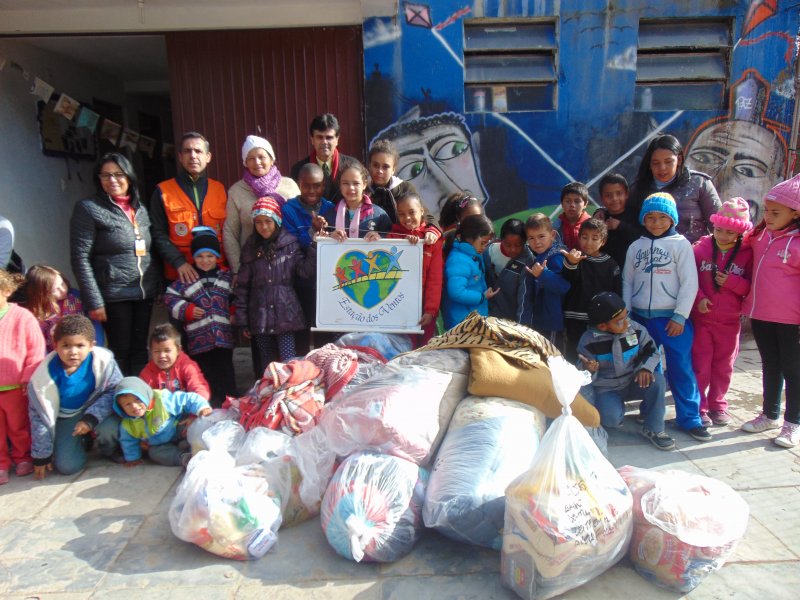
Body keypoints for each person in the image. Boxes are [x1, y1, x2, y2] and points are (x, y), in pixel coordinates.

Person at [623, 192, 710, 443]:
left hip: (672, 320)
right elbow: (627, 281)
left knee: (681, 368)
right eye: (650, 217)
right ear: (643, 219)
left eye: (662, 217)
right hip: (641, 320)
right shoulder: (635, 246)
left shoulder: (681, 245)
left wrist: (680, 316)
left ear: (672, 218)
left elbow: (689, 283)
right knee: (650, 369)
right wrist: (628, 315)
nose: (656, 222)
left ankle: (690, 418)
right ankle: (650, 412)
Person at [71, 153, 160, 375]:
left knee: (140, 349)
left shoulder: (140, 208)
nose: (113, 180)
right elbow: (80, 257)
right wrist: (94, 300)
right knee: (120, 351)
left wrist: (155, 284)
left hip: (142, 292)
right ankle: (121, 399)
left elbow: (150, 249)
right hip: (113, 293)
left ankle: (138, 398)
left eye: (118, 174)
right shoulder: (89, 208)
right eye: (106, 175)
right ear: (98, 179)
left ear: (129, 177)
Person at [740, 175, 800, 447]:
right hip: (761, 315)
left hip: (792, 321)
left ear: (795, 213)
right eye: (767, 210)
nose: (769, 216)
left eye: (776, 212)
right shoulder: (760, 237)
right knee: (770, 366)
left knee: (794, 369)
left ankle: (793, 422)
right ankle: (770, 414)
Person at [29, 315, 123, 478]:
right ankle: (83, 442)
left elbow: (114, 391)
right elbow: (39, 416)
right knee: (68, 467)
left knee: (110, 429)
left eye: (80, 345)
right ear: (55, 345)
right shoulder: (42, 377)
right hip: (67, 417)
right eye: (66, 346)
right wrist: (41, 455)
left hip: (97, 410)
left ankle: (109, 449)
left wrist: (90, 419)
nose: (73, 352)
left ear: (91, 345)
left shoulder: (104, 362)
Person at [577, 292, 674, 450]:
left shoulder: (636, 330)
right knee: (612, 420)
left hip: (633, 381)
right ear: (603, 326)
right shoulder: (588, 341)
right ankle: (614, 411)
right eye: (620, 321)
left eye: (626, 316)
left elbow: (651, 351)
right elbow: (582, 371)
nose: (627, 323)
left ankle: (654, 428)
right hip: (607, 389)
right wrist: (590, 368)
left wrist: (645, 369)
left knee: (658, 382)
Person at [235, 197, 316, 378]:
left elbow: (304, 271)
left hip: (286, 313)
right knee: (268, 364)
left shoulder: (290, 244)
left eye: (268, 221)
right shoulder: (250, 248)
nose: (264, 227)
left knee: (289, 361)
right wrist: (242, 319)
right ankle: (270, 397)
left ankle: (289, 395)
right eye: (259, 222)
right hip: (260, 315)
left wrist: (314, 247)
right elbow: (243, 286)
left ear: (277, 221)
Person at [691, 198, 753, 427]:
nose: (723, 236)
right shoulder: (701, 248)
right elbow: (689, 280)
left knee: (724, 366)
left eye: (729, 232)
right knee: (701, 364)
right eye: (719, 230)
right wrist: (699, 300)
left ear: (740, 233)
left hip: (730, 321)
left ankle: (718, 404)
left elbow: (750, 287)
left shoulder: (748, 253)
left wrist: (732, 282)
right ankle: (699, 406)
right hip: (702, 320)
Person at [164, 227, 235, 407]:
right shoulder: (187, 278)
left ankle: (230, 402)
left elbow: (237, 297)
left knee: (225, 369)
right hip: (198, 340)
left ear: (217, 256)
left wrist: (234, 312)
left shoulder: (226, 276)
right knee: (204, 372)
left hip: (223, 337)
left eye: (210, 256)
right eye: (200, 256)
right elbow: (170, 297)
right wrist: (186, 309)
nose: (205, 261)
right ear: (193, 258)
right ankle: (207, 403)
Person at [150, 132, 227, 284]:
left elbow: (229, 231)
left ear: (208, 157)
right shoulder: (163, 191)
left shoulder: (219, 189)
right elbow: (157, 233)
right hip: (180, 275)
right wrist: (179, 262)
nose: (193, 156)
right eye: (187, 151)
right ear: (180, 156)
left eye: (198, 151)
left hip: (217, 272)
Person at [223, 135, 301, 276]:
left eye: (261, 157)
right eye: (251, 158)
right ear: (245, 162)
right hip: (252, 267)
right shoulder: (236, 191)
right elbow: (230, 233)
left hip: (288, 265)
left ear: (272, 159)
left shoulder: (289, 185)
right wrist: (238, 270)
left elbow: (301, 222)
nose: (257, 162)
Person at [629, 134, 721, 244]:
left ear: (679, 159)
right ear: (649, 164)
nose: (662, 168)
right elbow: (624, 218)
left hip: (695, 254)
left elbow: (719, 224)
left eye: (668, 162)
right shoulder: (639, 188)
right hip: (652, 255)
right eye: (656, 163)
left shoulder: (699, 183)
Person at [282, 163, 335, 354]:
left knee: (324, 328)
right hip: (300, 279)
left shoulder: (331, 208)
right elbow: (291, 243)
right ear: (299, 184)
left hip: (327, 281)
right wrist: (314, 231)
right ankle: (303, 371)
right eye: (306, 185)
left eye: (317, 185)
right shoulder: (289, 209)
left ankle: (325, 365)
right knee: (302, 328)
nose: (312, 190)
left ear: (324, 186)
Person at [0, 269, 45, 484]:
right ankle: (1, 463)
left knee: (19, 426)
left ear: (7, 291)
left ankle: (23, 457)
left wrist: (28, 377)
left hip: (15, 386)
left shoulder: (22, 317)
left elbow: (35, 350)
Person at [113, 376, 211, 467]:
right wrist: (132, 458)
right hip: (159, 444)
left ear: (145, 394)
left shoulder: (162, 400)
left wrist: (201, 408)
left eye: (138, 399)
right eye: (127, 404)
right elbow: (128, 442)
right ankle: (185, 458)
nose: (134, 406)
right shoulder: (127, 425)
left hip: (177, 428)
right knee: (154, 453)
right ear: (121, 408)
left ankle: (188, 444)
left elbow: (187, 399)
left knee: (190, 427)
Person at [561, 219, 622, 362]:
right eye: (584, 237)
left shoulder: (610, 264)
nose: (588, 242)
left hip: (600, 320)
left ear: (604, 241)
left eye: (595, 238)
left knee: (598, 353)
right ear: (579, 237)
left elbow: (616, 291)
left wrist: (615, 315)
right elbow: (568, 278)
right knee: (573, 351)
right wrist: (571, 263)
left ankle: (595, 382)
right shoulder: (574, 258)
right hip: (575, 317)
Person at [388, 192, 443, 346]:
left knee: (423, 350)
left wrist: (431, 310)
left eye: (412, 212)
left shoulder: (432, 241)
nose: (407, 218)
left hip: (424, 308)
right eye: (402, 214)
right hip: (398, 308)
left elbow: (435, 280)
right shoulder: (393, 237)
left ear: (422, 211)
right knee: (401, 348)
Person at [23, 265, 104, 353]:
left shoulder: (77, 297)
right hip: (56, 356)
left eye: (62, 283)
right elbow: (38, 342)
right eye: (55, 290)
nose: (62, 290)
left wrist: (97, 346)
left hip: (85, 351)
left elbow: (95, 323)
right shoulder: (38, 312)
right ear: (42, 294)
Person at [517, 213, 570, 348]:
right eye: (531, 238)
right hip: (542, 319)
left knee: (552, 358)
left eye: (541, 236)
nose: (537, 242)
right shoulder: (541, 255)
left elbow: (564, 286)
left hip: (552, 321)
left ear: (552, 235)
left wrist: (543, 274)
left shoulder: (557, 256)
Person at [441, 214, 497, 330]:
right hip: (461, 324)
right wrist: (482, 296)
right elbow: (456, 292)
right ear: (470, 238)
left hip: (471, 321)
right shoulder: (458, 259)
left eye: (486, 244)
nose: (484, 247)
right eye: (482, 243)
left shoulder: (472, 255)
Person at [317, 161, 392, 241]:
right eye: (345, 183)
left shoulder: (379, 215)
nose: (351, 188)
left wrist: (380, 239)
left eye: (356, 183)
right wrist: (329, 237)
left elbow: (392, 241)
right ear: (340, 185)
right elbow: (321, 245)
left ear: (364, 184)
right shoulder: (330, 215)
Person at [290, 113, 356, 202]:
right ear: (312, 139)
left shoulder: (352, 166)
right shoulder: (298, 170)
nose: (324, 142)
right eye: (319, 137)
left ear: (337, 139)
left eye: (329, 137)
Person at [139, 323, 211, 400]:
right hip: (161, 410)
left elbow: (198, 386)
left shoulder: (187, 366)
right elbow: (140, 394)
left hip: (187, 409)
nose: (162, 356)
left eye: (167, 351)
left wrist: (199, 403)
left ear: (178, 350)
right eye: (157, 351)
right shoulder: (148, 371)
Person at [483, 218, 533, 322]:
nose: (512, 249)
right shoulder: (488, 252)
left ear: (525, 242)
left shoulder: (528, 261)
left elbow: (524, 299)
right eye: (508, 245)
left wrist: (521, 328)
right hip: (487, 318)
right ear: (501, 240)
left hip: (511, 323)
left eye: (518, 245)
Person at [366, 138, 426, 225]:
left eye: (385, 167)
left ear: (393, 169)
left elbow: (423, 213)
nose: (380, 171)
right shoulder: (363, 189)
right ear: (369, 165)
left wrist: (432, 231)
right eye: (375, 165)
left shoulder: (405, 188)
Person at [592, 173, 642, 267]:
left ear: (627, 194)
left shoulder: (636, 215)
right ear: (601, 198)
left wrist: (620, 226)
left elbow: (643, 238)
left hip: (633, 269)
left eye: (619, 193)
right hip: (607, 272)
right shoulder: (600, 218)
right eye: (608, 195)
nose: (614, 199)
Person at [552, 181, 592, 251]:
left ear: (585, 204)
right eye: (568, 201)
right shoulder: (556, 226)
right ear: (561, 203)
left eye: (577, 201)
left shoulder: (592, 224)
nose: (572, 205)